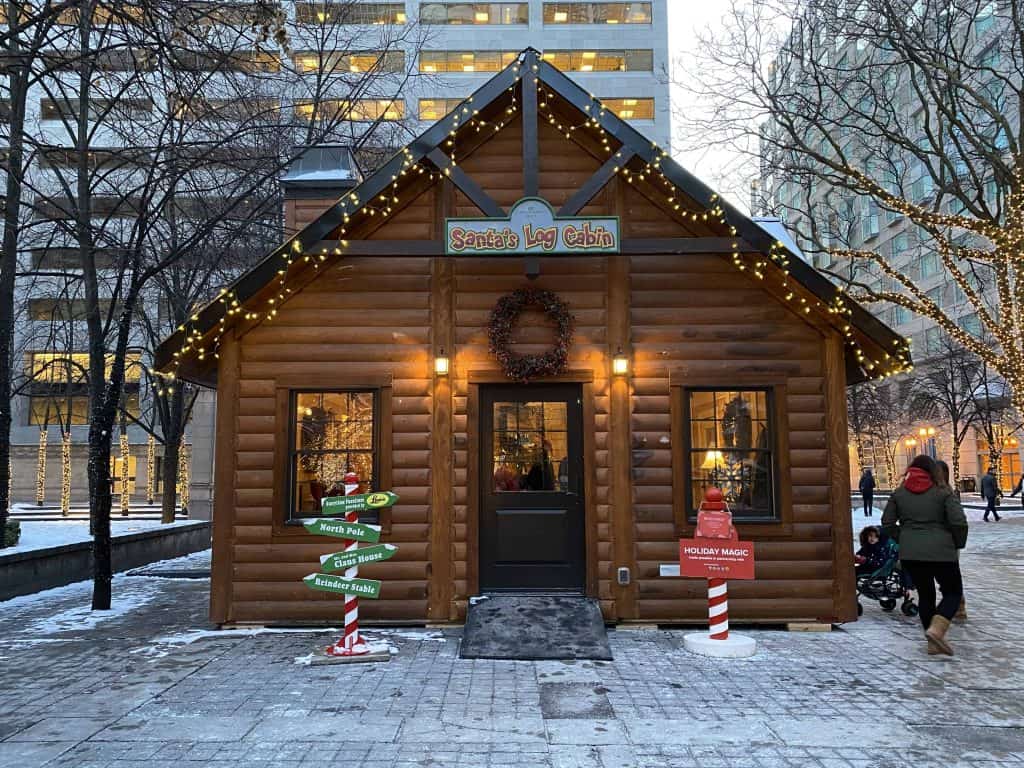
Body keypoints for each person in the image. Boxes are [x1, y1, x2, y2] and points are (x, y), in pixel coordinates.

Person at [882, 455, 968, 656]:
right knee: (953, 592)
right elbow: (959, 522)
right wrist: (956, 542)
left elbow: (887, 523)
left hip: (912, 555)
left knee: (926, 595)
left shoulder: (899, 494)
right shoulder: (943, 492)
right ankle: (937, 630)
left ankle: (932, 643)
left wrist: (904, 538)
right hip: (942, 553)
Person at [937, 460, 968, 624]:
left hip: (947, 541)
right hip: (945, 541)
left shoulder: (947, 493)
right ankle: (956, 604)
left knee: (949, 575)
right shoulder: (946, 492)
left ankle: (958, 604)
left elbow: (958, 521)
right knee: (948, 575)